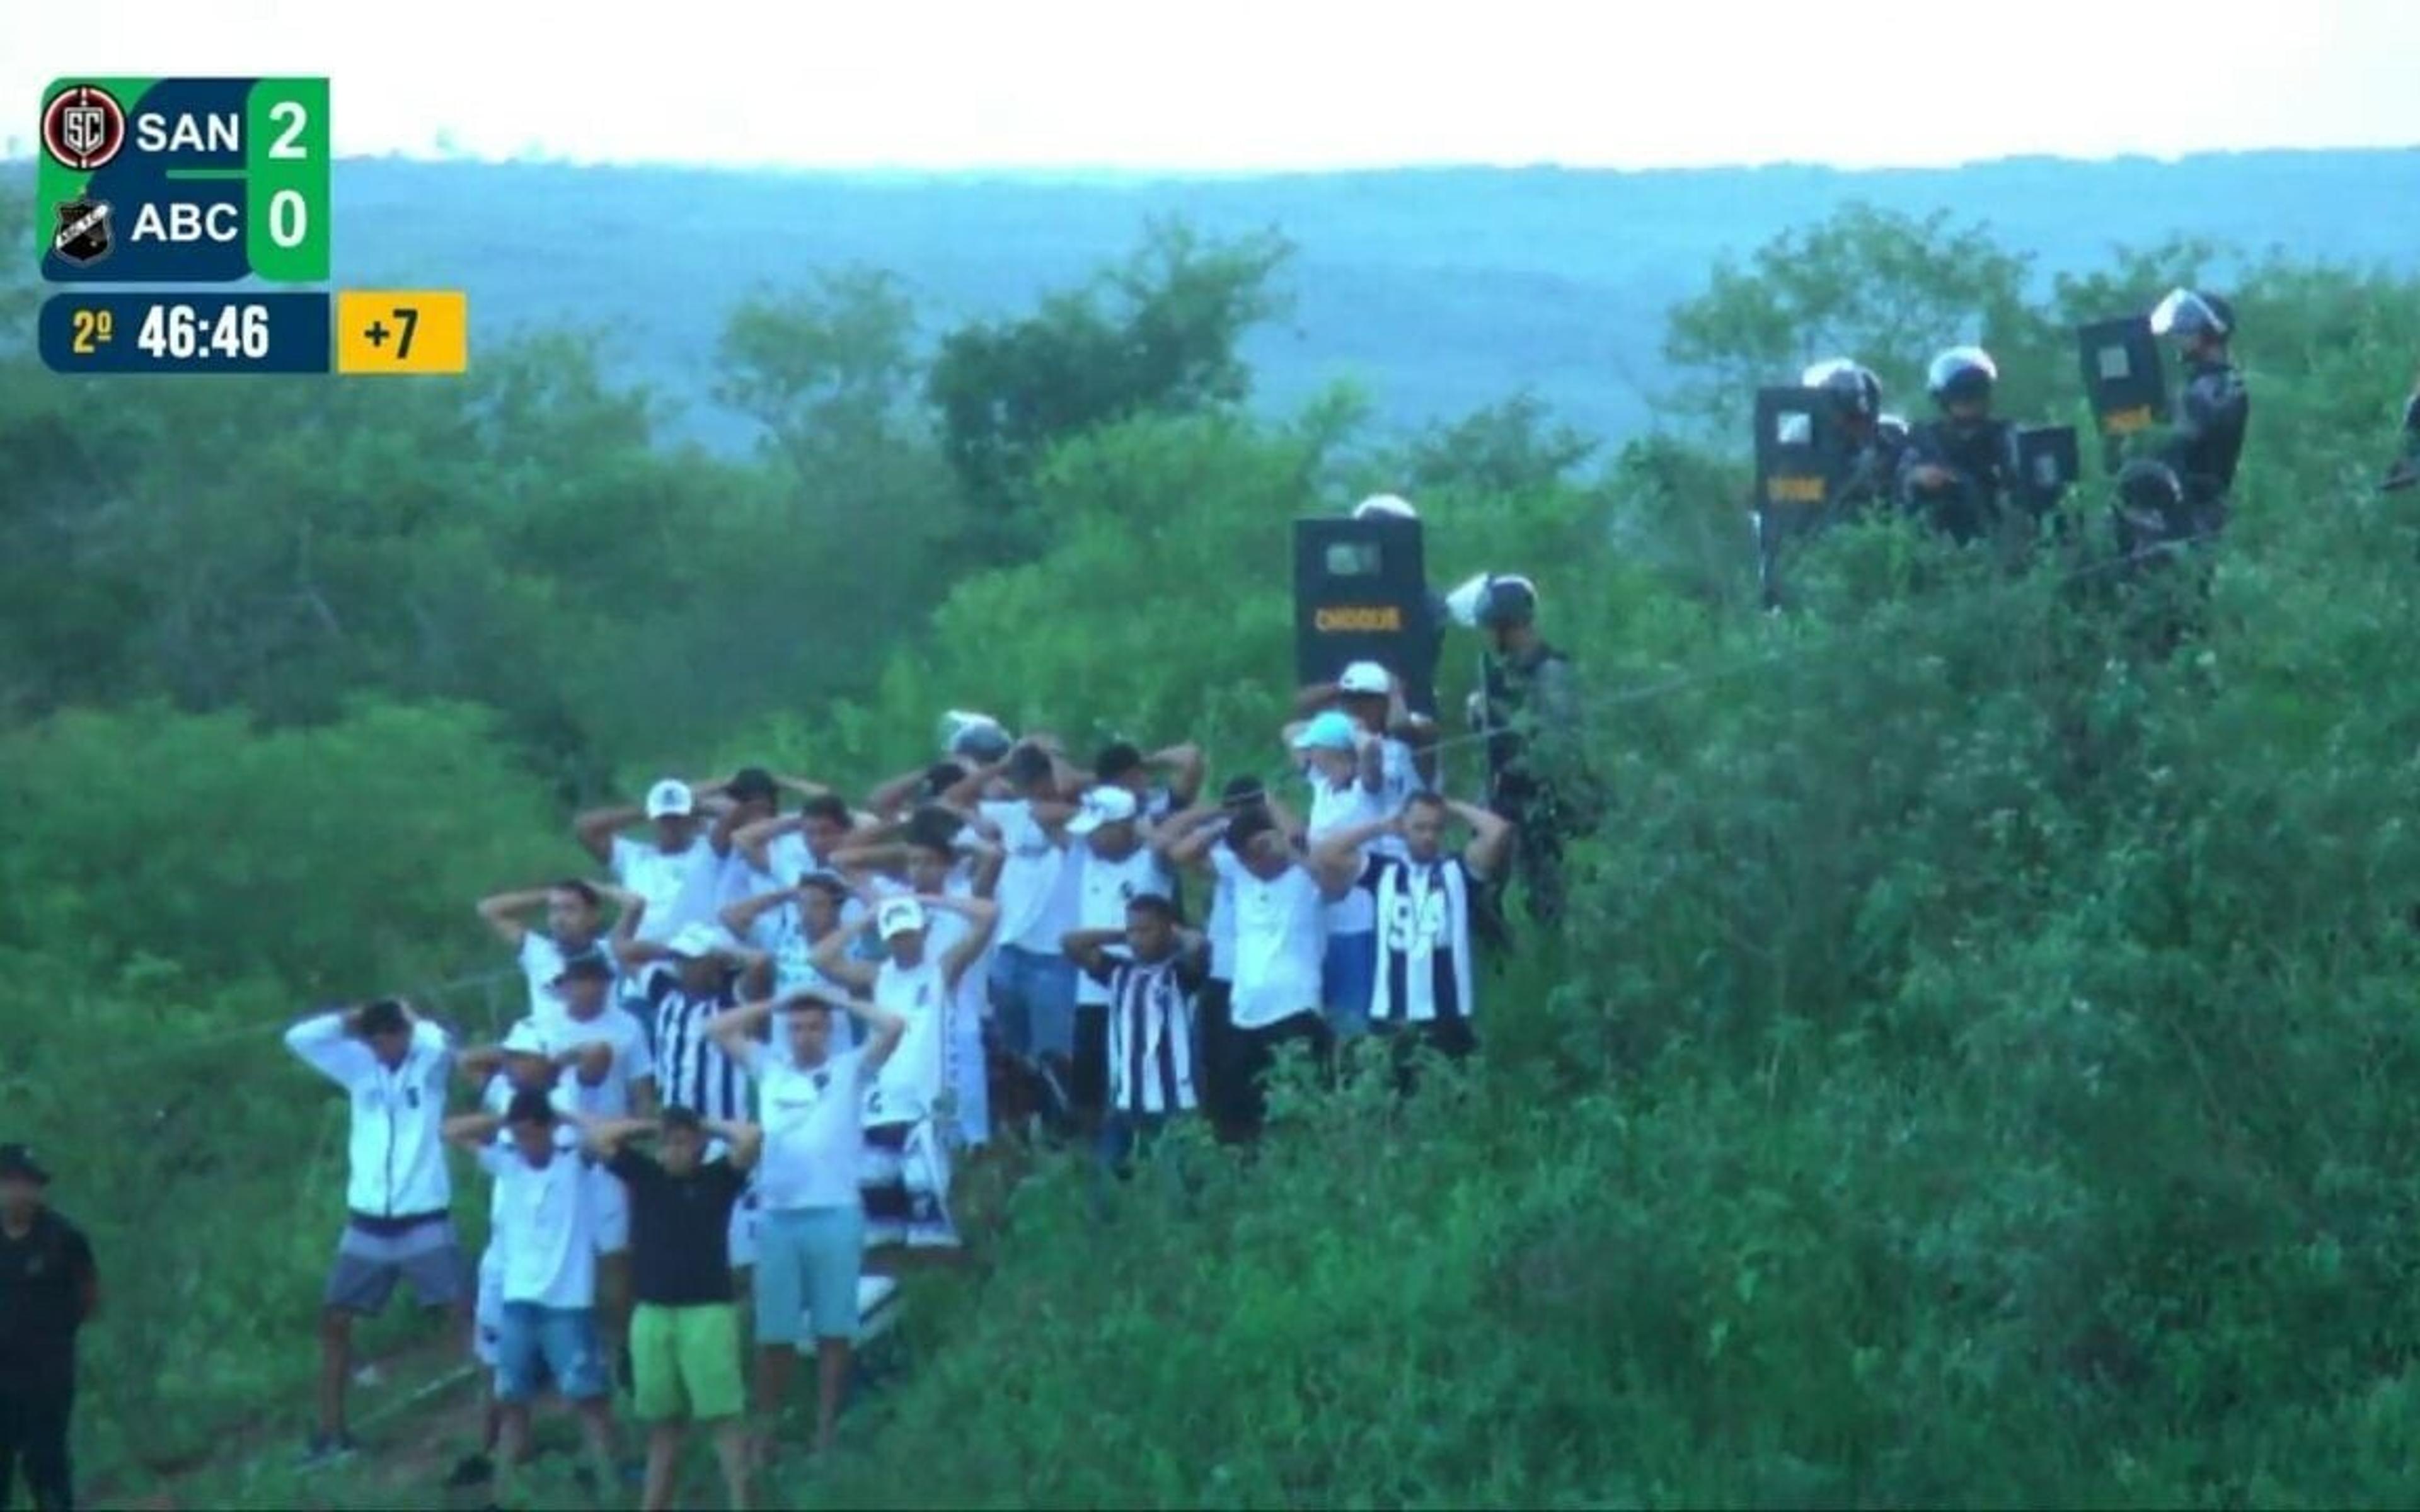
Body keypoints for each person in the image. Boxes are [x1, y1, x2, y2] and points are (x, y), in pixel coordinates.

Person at [706, 988, 906, 1457]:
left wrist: (838, 999)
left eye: (814, 1027)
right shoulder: (770, 1068)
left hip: (836, 1212)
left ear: (830, 1030)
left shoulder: (848, 1069)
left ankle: (825, 1433)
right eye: (796, 1028)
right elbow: (717, 1030)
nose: (805, 1036)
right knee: (773, 1334)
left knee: (833, 1330)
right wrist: (773, 1005)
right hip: (778, 1217)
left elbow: (894, 1026)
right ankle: (766, 1431)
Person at [282, 998, 463, 1465]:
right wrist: (349, 1018)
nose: (382, 1046)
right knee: (335, 1318)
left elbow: (444, 1042)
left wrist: (412, 1015)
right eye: (374, 1038)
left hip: (423, 1213)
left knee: (463, 1314)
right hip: (368, 1219)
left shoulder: (428, 1064)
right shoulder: (360, 1069)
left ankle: (495, 1421)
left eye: (389, 1035)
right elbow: (298, 1039)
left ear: (403, 1033)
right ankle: (332, 1435)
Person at [442, 1094, 620, 1506]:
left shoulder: (574, 1165)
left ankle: (610, 1486)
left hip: (568, 1304)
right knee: (512, 1401)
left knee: (588, 1400)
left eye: (531, 1134)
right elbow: (450, 1131)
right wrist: (506, 1117)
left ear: (549, 1130)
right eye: (517, 1136)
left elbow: (610, 1133)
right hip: (519, 1303)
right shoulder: (508, 1166)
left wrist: (564, 1115)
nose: (525, 1143)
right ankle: (504, 1496)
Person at [584, 1109, 761, 1512]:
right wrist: (650, 1125)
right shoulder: (646, 1176)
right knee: (663, 1428)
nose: (673, 1151)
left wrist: (707, 1125)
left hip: (707, 1315)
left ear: (699, 1145)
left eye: (682, 1142)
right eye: (667, 1143)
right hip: (653, 1316)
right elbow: (598, 1137)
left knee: (724, 1422)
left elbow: (751, 1137)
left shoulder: (719, 1179)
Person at [810, 893, 999, 1251]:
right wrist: (865, 918)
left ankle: (936, 1283)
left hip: (929, 1108)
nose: (904, 941)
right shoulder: (876, 976)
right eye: (896, 935)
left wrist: (926, 898)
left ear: (924, 931)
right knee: (881, 1219)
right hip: (882, 1106)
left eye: (910, 932)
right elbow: (819, 958)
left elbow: (988, 915)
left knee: (931, 1213)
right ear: (885, 938)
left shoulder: (943, 969)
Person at [1310, 793, 1512, 1089]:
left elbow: (1498, 833)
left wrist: (1454, 806)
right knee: (1397, 1103)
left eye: (1436, 828)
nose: (1429, 836)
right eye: (1420, 827)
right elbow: (1325, 853)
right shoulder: (1384, 872)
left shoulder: (1458, 870)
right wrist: (1380, 826)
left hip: (1448, 1012)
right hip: (1392, 1013)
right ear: (1404, 827)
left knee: (1451, 1099)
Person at [1164, 807, 1341, 1140]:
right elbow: (1181, 853)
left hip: (1296, 1008)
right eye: (1246, 857)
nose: (1254, 863)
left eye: (1259, 853)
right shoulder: (1238, 873)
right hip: (1245, 1012)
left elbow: (1333, 881)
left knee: (1304, 1105)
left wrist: (1284, 843)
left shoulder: (1305, 876)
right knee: (1238, 1112)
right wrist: (1222, 826)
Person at [1153, 777, 1301, 1143]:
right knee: (1224, 1071)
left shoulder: (1286, 864)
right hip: (1224, 979)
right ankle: (1233, 1144)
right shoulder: (1231, 860)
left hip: (1266, 984)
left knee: (1273, 1072)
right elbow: (1172, 849)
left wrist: (1270, 805)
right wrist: (1222, 820)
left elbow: (1299, 838)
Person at [545, 949, 659, 1389]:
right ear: (566, 984)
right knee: (566, 1261)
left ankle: (626, 1353)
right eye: (580, 978)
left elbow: (642, 1093)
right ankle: (570, 1353)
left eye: (596, 978)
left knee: (617, 1262)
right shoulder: (545, 1029)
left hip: (609, 1157)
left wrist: (634, 1141)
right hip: (560, 1158)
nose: (588, 986)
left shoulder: (626, 1028)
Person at [1468, 573, 1594, 930]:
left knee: (1547, 900)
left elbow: (1560, 743)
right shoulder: (1505, 675)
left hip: (1543, 804)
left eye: (1492, 627)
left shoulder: (1551, 672)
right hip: (1507, 798)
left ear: (1507, 625)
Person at [1061, 895, 1208, 1171]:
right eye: (1132, 931)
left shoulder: (1181, 975)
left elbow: (1198, 946)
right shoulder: (1118, 972)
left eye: (1146, 931)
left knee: (1176, 1186)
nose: (1137, 940)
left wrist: (1174, 933)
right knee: (1105, 1185)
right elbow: (1070, 943)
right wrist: (1122, 935)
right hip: (1125, 1101)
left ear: (1167, 930)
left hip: (1175, 1103)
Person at [1061, 787, 1178, 1131]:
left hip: (1145, 987)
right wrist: (1122, 935)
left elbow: (1167, 848)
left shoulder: (1151, 864)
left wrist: (1144, 827)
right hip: (1094, 988)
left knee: (1143, 1081)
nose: (1091, 839)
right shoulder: (1086, 859)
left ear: (1122, 827)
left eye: (1099, 830)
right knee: (1089, 1088)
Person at [1758, 358, 1906, 607]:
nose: (1853, 426)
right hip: (1817, 551)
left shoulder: (1893, 437)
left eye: (1860, 418)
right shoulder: (1799, 438)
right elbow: (1783, 509)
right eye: (1845, 417)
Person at [0, 1145, 96, 1512]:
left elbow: (90, 1296)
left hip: (46, 1380)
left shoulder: (64, 1239)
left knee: (47, 1469)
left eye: (31, 1184)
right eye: (14, 1182)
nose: (23, 1192)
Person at [1287, 711, 1384, 1040]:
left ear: (1331, 751)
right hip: (1325, 916)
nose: (1308, 755)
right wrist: (1333, 724)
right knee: (1328, 1013)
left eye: (1314, 749)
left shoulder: (1365, 790)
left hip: (1358, 916)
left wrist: (1354, 730)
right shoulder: (1321, 784)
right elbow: (1290, 731)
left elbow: (1370, 751)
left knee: (1355, 1016)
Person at [574, 777, 732, 944]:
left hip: (697, 950)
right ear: (653, 819)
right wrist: (648, 809)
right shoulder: (632, 856)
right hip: (640, 956)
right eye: (664, 818)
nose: (671, 825)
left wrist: (691, 802)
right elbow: (586, 828)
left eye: (676, 818)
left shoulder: (709, 849)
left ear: (690, 819)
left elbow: (734, 813)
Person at [473, 878, 649, 1027]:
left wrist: (597, 888)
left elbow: (635, 904)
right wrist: (550, 893)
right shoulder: (536, 950)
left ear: (592, 916)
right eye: (554, 910)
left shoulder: (611, 950)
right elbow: (488, 909)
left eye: (570, 909)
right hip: (551, 1057)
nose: (559, 919)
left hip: (606, 1046)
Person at [2147, 287, 2250, 541]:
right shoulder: (2222, 384)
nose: (2177, 337)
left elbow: (2178, 448)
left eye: (2186, 330)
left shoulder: (2210, 390)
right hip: (2205, 508)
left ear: (2206, 334)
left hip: (2196, 514)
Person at [1897, 346, 2019, 545]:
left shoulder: (2006, 435)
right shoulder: (1925, 439)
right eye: (1962, 397)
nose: (1970, 402)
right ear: (1945, 399)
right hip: (1942, 543)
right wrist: (1918, 477)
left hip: (2000, 538)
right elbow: (1902, 483)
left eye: (1976, 394)